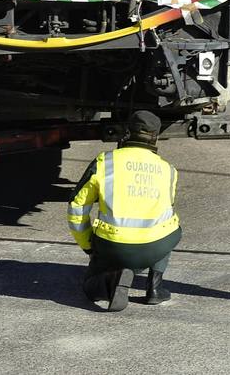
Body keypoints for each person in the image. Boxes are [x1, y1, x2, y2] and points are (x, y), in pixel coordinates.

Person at [67, 110, 182, 311]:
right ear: (155, 137)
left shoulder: (106, 161)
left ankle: (112, 273)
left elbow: (77, 207)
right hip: (155, 247)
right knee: (169, 226)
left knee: (91, 287)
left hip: (111, 245)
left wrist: (89, 247)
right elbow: (168, 209)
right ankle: (154, 287)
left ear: (127, 132)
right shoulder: (168, 169)